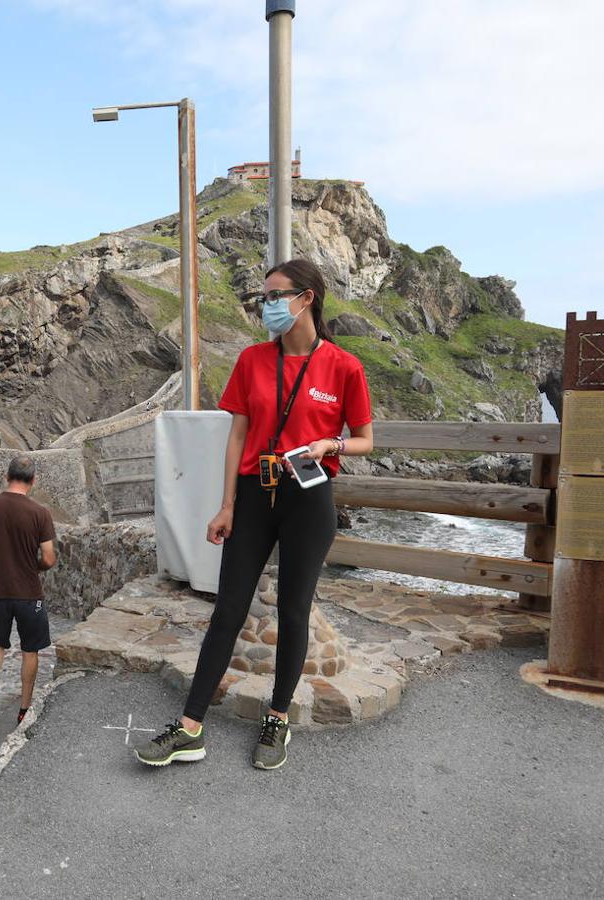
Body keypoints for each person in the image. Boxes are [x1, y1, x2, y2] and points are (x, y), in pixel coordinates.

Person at [134, 258, 374, 771]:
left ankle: (277, 717)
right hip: (253, 493)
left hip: (309, 499)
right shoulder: (251, 360)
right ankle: (190, 727)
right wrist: (225, 505)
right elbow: (236, 435)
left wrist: (328, 444)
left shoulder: (344, 367)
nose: (266, 306)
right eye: (263, 298)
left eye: (274, 296)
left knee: (293, 613)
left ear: (306, 298)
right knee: (227, 610)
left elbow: (365, 439)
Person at [0, 455, 57, 730]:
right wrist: (34, 565)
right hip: (28, 592)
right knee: (30, 649)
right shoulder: (40, 513)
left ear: (7, 477)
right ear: (33, 481)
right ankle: (24, 708)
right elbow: (49, 558)